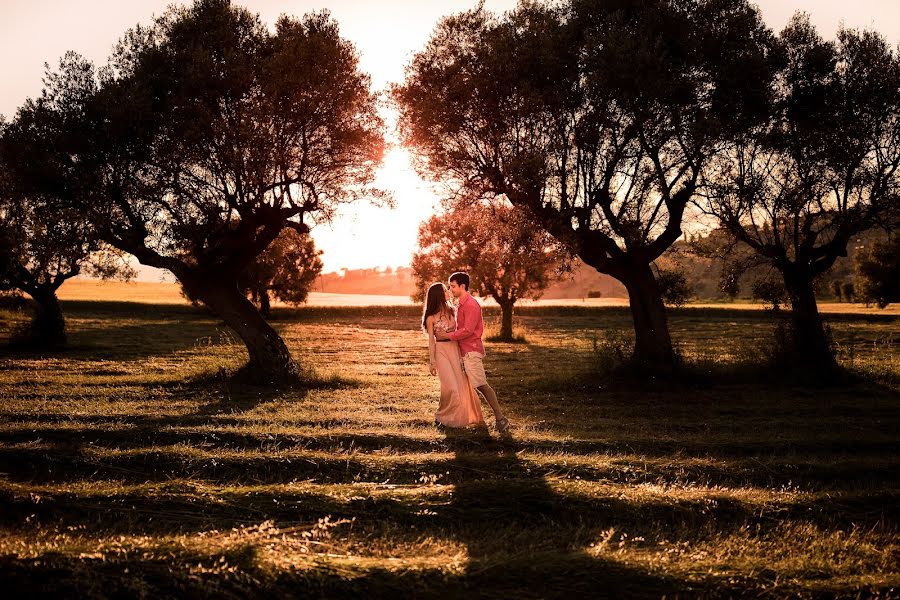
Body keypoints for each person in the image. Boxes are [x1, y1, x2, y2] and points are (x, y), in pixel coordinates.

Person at [434, 272, 510, 432]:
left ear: (462, 286)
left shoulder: (471, 305)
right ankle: (453, 416)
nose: (450, 289)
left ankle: (500, 418)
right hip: (463, 352)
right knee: (460, 386)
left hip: (471, 352)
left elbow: (467, 330)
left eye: (453, 286)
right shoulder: (460, 304)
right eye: (450, 286)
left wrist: (447, 336)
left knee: (481, 385)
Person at [422, 282, 485, 428]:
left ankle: (460, 417)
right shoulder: (430, 318)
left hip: (455, 350)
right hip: (441, 351)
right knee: (450, 386)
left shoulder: (453, 310)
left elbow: (463, 330)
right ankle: (444, 416)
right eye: (445, 290)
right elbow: (432, 341)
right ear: (438, 295)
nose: (449, 292)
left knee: (462, 385)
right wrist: (432, 362)